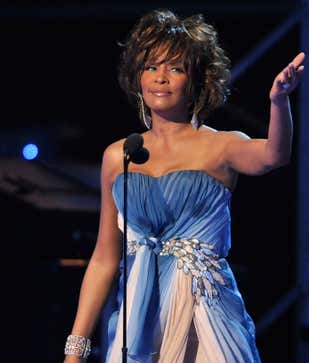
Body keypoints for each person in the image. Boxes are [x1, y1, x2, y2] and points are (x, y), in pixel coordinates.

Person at [63, 9, 303, 363]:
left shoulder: (220, 146)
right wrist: (76, 348)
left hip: (206, 318)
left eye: (175, 68)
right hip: (140, 320)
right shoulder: (119, 156)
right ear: (137, 78)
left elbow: (273, 155)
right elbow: (104, 257)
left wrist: (278, 102)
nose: (161, 77)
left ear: (196, 82)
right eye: (151, 67)